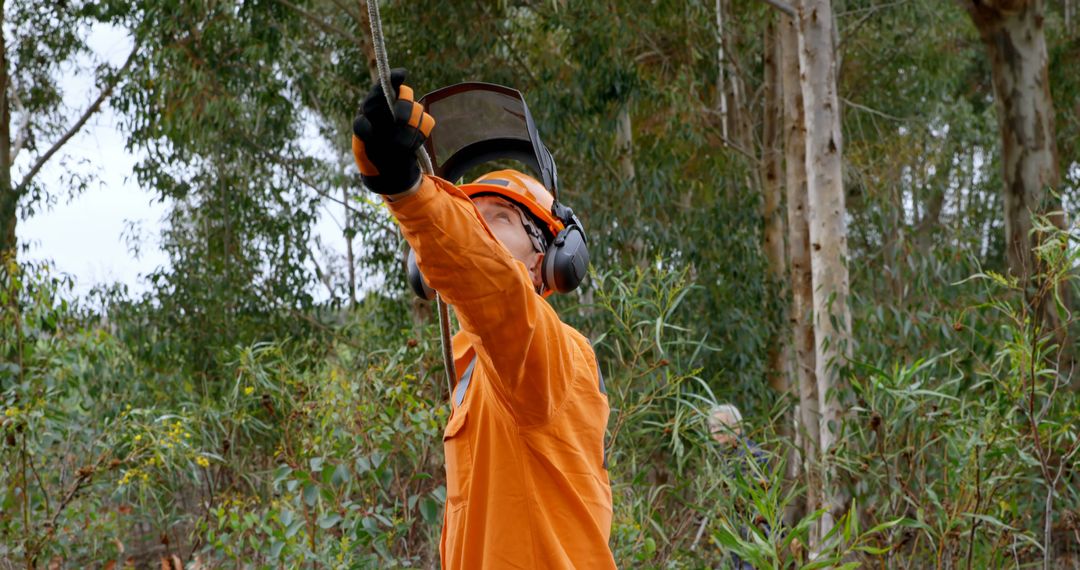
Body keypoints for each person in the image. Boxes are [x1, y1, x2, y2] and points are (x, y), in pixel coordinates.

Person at [351, 70, 616, 569]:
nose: (475, 229)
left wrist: (408, 190)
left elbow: (493, 285)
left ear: (550, 257)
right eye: (467, 218)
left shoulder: (551, 352)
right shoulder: (474, 373)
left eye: (496, 218)